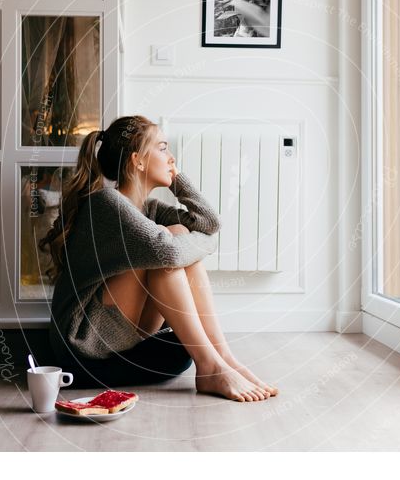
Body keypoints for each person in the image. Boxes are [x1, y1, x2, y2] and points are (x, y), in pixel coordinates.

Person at [39, 115, 278, 402]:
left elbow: (209, 224)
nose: (171, 157)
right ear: (137, 160)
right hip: (85, 339)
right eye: (163, 148)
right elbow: (171, 252)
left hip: (123, 332)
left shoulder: (150, 208)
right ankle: (210, 366)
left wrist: (178, 182)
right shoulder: (105, 203)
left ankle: (224, 358)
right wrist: (199, 244)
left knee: (175, 232)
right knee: (169, 241)